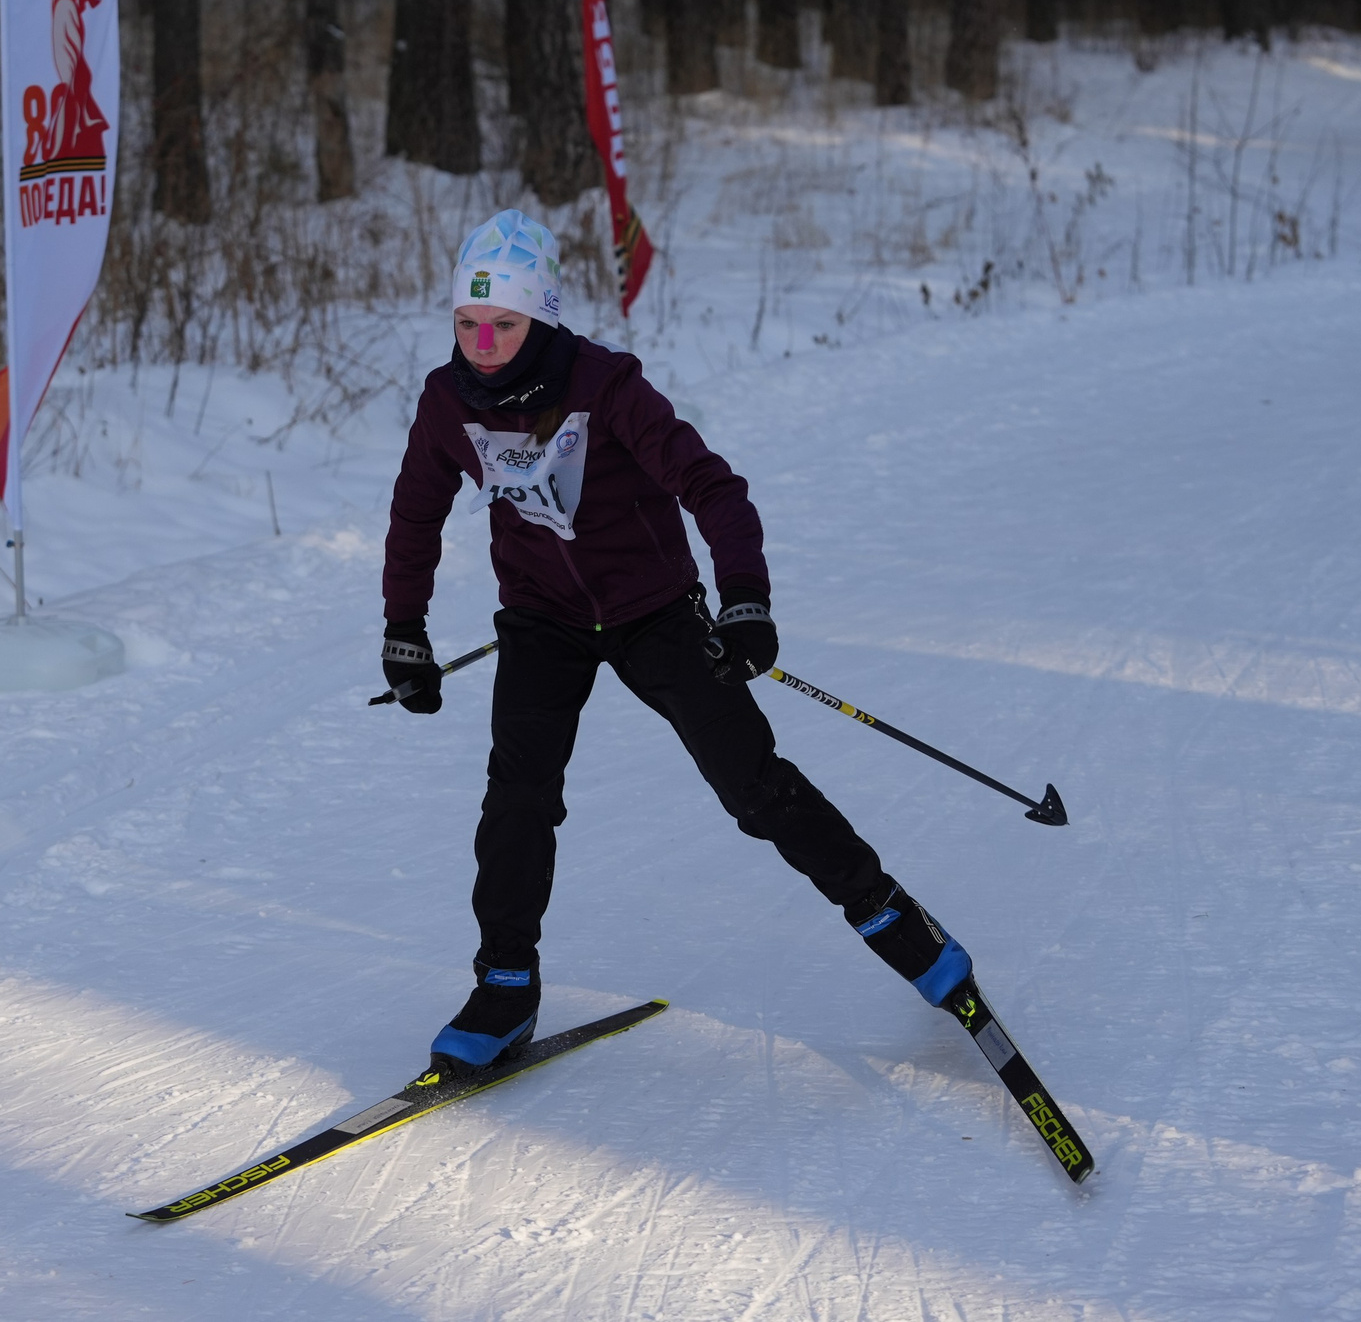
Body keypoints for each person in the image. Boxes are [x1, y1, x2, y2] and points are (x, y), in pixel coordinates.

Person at [381, 209, 972, 1076]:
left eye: (503, 323)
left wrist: (745, 601)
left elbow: (713, 487)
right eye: (467, 324)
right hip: (542, 618)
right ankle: (505, 986)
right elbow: (415, 511)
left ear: (541, 314)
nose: (483, 344)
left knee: (753, 787)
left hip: (653, 610)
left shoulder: (606, 384)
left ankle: (898, 922)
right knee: (518, 796)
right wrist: (404, 626)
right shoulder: (449, 402)